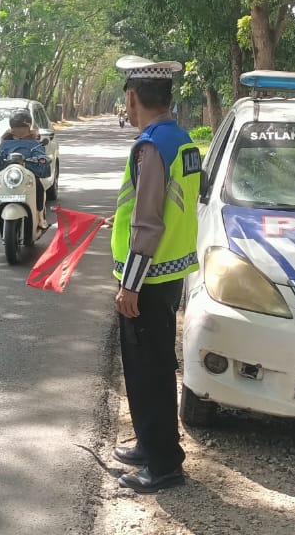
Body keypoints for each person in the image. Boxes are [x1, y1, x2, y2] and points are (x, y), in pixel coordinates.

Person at [107, 55, 201, 494]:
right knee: (156, 366)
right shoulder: (180, 139)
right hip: (171, 274)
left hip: (146, 279)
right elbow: (164, 208)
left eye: (126, 100)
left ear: (132, 97)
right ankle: (150, 444)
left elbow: (148, 224)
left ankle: (163, 465)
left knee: (148, 371)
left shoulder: (149, 146)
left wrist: (130, 283)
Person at [0, 109, 49, 227]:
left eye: (22, 127)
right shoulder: (5, 141)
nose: (19, 130)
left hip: (28, 172)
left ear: (29, 127)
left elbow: (41, 153)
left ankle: (40, 217)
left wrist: (40, 159)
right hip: (9, 174)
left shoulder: (35, 141)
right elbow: (0, 154)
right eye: (16, 127)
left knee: (38, 186)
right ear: (11, 128)